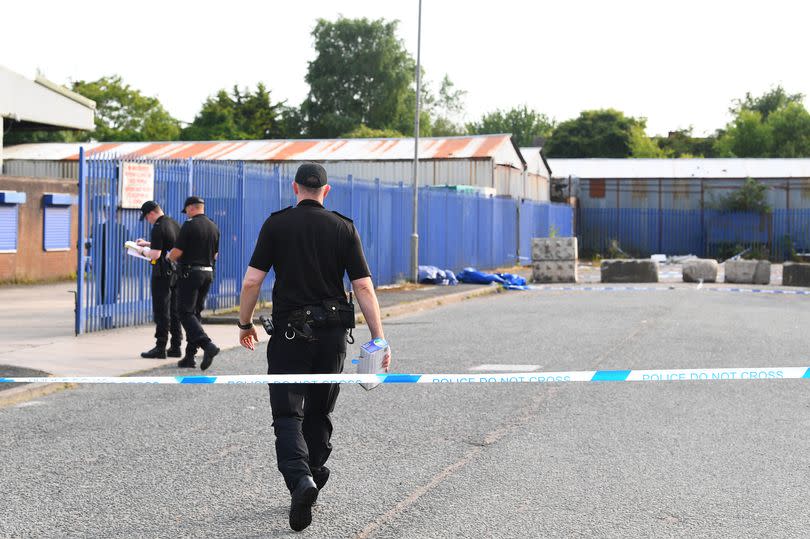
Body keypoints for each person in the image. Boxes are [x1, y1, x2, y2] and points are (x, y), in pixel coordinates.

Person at [237, 163, 391, 532]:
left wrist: (245, 323)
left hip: (290, 333)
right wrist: (379, 337)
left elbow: (251, 282)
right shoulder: (343, 227)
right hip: (333, 334)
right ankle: (316, 472)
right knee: (320, 410)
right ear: (327, 190)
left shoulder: (276, 224)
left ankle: (300, 480)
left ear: (294, 188)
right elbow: (364, 288)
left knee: (289, 413)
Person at [167, 196, 221, 370]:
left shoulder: (189, 225)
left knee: (184, 312)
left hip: (191, 274)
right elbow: (215, 255)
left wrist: (169, 256)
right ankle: (189, 357)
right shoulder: (213, 226)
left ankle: (207, 345)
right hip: (208, 273)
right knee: (195, 314)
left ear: (190, 208)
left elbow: (176, 253)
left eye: (187, 211)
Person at [134, 200, 183, 359]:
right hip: (176, 272)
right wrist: (148, 243)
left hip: (162, 273)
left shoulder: (157, 227)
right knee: (175, 310)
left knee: (161, 309)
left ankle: (160, 347)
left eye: (147, 217)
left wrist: (140, 250)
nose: (148, 220)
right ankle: (176, 346)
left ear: (151, 213)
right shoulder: (173, 223)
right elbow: (169, 243)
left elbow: (155, 254)